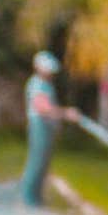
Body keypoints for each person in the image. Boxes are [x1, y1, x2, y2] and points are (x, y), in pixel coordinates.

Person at [19, 50, 79, 206]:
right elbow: (43, 108)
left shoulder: (46, 85)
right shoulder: (37, 84)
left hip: (46, 128)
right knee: (37, 163)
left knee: (44, 164)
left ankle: (37, 198)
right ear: (39, 67)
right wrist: (66, 113)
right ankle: (29, 198)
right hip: (39, 127)